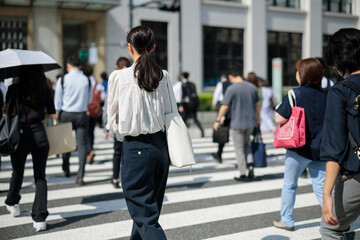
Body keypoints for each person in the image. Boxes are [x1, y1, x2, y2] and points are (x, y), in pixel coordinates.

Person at [106, 25, 171, 239]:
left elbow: (112, 119)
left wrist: (120, 131)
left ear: (129, 48)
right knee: (148, 212)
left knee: (146, 217)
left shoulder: (119, 77)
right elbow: (171, 113)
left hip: (136, 148)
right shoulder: (164, 76)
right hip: (161, 147)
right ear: (153, 47)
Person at [272, 58, 327, 231]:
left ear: (302, 74)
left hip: (298, 148)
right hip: (321, 149)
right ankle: (333, 219)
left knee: (290, 184)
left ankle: (287, 220)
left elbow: (279, 118)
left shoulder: (295, 94)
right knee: (322, 188)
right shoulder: (328, 95)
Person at [4, 65, 56, 232]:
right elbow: (52, 114)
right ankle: (40, 217)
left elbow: (6, 111)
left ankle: (13, 203)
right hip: (39, 134)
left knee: (17, 172)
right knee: (40, 176)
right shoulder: (45, 87)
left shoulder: (14, 88)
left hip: (18, 135)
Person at [320, 28, 360, 239]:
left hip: (357, 174)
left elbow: (334, 147)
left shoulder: (341, 91)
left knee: (330, 228)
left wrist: (326, 193)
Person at [213, 63, 260, 182]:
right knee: (247, 145)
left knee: (239, 148)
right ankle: (250, 167)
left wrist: (218, 120)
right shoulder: (252, 87)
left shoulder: (231, 88)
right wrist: (258, 120)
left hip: (237, 123)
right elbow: (257, 106)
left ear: (231, 76)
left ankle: (243, 173)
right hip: (250, 122)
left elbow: (224, 106)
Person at [54, 56, 92, 185]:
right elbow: (89, 100)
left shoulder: (63, 79)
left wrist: (56, 115)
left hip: (66, 114)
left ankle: (66, 168)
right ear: (80, 66)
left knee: (66, 143)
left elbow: (57, 101)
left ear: (68, 65)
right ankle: (80, 176)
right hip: (81, 114)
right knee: (82, 145)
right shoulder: (86, 80)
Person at [103, 56, 132, 188]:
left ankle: (115, 178)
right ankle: (127, 178)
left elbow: (108, 105)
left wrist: (106, 126)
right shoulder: (133, 79)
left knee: (117, 152)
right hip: (131, 121)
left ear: (116, 67)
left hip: (118, 121)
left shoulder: (114, 80)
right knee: (128, 152)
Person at [82, 64, 106, 165]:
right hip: (94, 111)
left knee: (85, 133)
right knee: (91, 132)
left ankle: (89, 150)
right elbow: (103, 98)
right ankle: (90, 149)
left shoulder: (82, 82)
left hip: (85, 110)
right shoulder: (97, 84)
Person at [211, 73, 231, 163]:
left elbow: (216, 94)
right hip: (234, 110)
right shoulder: (234, 84)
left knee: (223, 132)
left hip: (224, 109)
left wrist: (214, 103)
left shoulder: (221, 84)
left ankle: (219, 154)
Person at [180, 72, 204, 137]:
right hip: (193, 104)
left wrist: (181, 105)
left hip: (187, 104)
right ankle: (201, 130)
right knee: (195, 118)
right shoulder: (192, 84)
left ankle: (183, 133)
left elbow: (183, 96)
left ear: (182, 76)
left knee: (184, 118)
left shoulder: (183, 84)